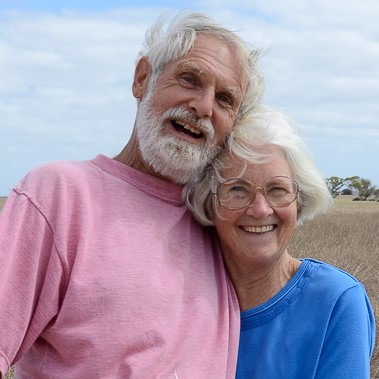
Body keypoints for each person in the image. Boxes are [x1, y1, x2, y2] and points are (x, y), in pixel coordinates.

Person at [0, 12, 264, 378]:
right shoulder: (60, 194)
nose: (203, 107)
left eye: (224, 99)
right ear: (142, 79)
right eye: (189, 79)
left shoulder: (219, 220)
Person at [184, 106, 376, 379]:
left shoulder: (337, 301)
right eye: (238, 189)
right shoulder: (181, 299)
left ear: (300, 201)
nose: (260, 209)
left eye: (278, 190)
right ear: (209, 201)